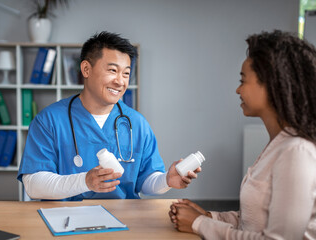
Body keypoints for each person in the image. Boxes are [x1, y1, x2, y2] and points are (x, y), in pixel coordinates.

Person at [17, 31, 200, 201]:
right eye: (112, 70)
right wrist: (85, 182)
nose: (120, 81)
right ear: (86, 69)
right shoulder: (49, 120)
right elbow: (33, 184)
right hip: (66, 220)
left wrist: (167, 180)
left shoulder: (136, 124)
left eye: (126, 73)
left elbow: (146, 181)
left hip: (124, 220)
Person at [169, 30, 316, 239]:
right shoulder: (278, 145)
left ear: (273, 84)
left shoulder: (297, 151)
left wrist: (199, 223)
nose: (238, 90)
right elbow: (256, 220)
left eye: (243, 80)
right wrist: (209, 216)